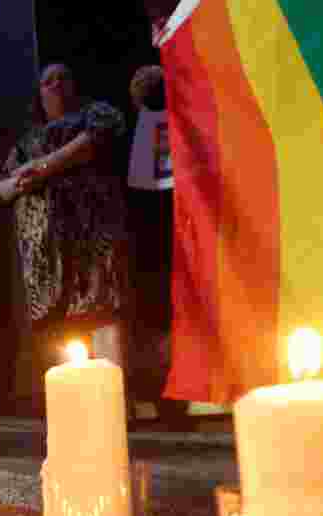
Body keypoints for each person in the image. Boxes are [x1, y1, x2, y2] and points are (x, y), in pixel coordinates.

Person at [0, 63, 131, 400]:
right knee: (56, 326)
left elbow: (95, 139)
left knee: (100, 310)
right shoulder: (27, 140)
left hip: (92, 235)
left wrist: (43, 167)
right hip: (44, 250)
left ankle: (114, 401)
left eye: (63, 77)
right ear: (39, 92)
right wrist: (20, 179)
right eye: (47, 80)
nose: (55, 84)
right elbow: (1, 188)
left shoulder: (94, 114)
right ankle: (72, 407)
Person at [126, 64, 187, 424]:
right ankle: (165, 394)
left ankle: (176, 395)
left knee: (170, 319)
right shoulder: (135, 139)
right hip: (147, 244)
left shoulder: (181, 131)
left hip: (175, 236)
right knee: (156, 322)